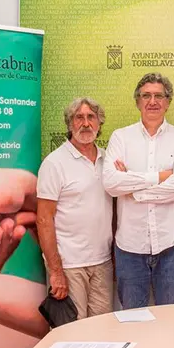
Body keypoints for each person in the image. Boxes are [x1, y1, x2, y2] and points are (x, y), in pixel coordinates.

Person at [102, 73, 174, 309]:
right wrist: (159, 177)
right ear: (137, 101)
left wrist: (133, 189)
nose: (152, 101)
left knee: (170, 320)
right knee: (132, 320)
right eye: (146, 96)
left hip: (171, 245)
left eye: (158, 96)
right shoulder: (120, 137)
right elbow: (112, 184)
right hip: (130, 247)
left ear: (168, 101)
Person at [36, 97, 113, 319]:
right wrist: (56, 271)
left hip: (102, 263)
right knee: (72, 337)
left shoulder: (107, 160)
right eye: (79, 117)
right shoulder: (54, 163)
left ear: (99, 124)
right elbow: (43, 220)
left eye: (91, 117)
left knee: (104, 332)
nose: (86, 123)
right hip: (69, 266)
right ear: (70, 124)